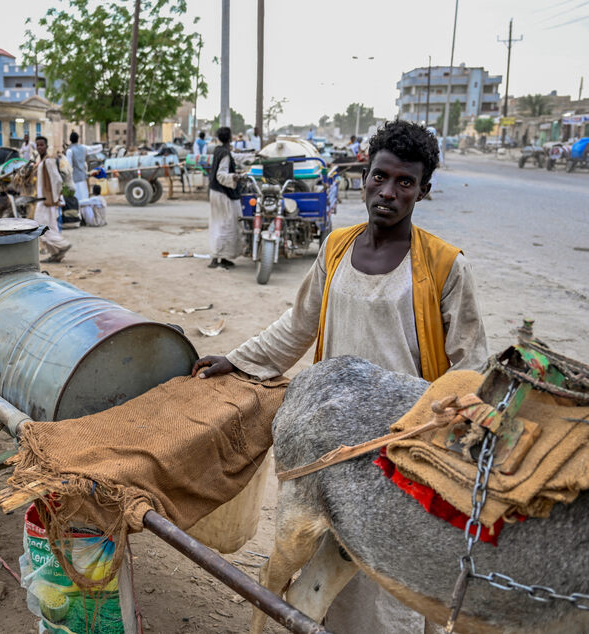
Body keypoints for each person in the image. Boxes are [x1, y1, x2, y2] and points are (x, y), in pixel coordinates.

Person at [192, 119, 488, 634]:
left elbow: (470, 368)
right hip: (333, 442)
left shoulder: (445, 267)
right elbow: (297, 325)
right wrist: (238, 360)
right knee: (321, 567)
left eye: (405, 182)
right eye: (379, 177)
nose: (388, 192)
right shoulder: (336, 249)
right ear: (363, 176)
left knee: (386, 588)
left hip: (403, 453)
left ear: (424, 190)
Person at [206, 126, 242, 270]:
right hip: (222, 194)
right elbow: (221, 175)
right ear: (230, 137)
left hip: (215, 192)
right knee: (225, 225)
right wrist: (234, 177)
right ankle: (217, 257)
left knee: (219, 224)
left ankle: (223, 257)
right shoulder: (225, 154)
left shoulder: (218, 150)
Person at [34, 136, 71, 263]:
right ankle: (56, 254)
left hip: (46, 200)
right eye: (38, 145)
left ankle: (62, 244)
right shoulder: (41, 161)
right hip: (42, 198)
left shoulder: (48, 161)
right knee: (50, 227)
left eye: (42, 145)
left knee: (41, 226)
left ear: (46, 146)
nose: (40, 147)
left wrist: (55, 198)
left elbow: (57, 180)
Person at [65, 131, 89, 203]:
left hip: (75, 179)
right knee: (85, 198)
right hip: (83, 177)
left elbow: (69, 166)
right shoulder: (83, 148)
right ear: (78, 139)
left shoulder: (69, 151)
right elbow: (94, 149)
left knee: (77, 199)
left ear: (70, 140)